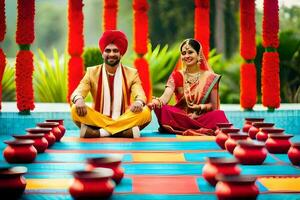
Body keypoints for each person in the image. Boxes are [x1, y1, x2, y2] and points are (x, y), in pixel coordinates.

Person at [71, 30, 151, 138]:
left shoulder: (132, 74)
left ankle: (100, 133)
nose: (111, 54)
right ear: (103, 53)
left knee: (146, 112)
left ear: (121, 53)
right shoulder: (92, 72)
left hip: (123, 117)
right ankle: (121, 132)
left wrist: (139, 102)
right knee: (75, 109)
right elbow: (79, 90)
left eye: (115, 51)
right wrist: (79, 99)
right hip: (100, 119)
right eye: (108, 51)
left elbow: (140, 94)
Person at [148, 38, 229, 136]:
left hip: (201, 117)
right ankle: (190, 126)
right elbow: (165, 97)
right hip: (181, 116)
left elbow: (213, 106)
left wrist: (198, 108)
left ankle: (184, 126)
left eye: (190, 52)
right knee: (162, 108)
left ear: (199, 54)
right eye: (183, 53)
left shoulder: (210, 77)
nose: (186, 56)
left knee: (219, 114)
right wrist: (157, 102)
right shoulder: (176, 75)